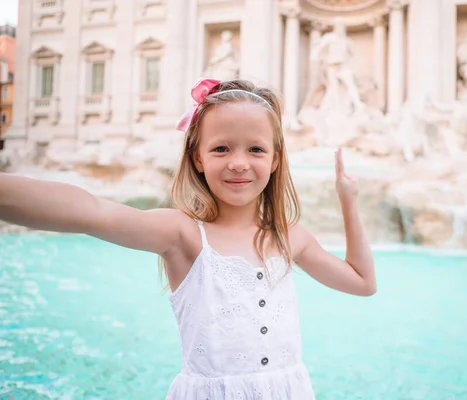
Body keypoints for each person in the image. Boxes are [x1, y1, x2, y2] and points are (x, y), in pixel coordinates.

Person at [0, 78, 376, 399]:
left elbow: (362, 283)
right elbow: (92, 212)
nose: (239, 162)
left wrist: (349, 201)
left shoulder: (289, 237)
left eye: (256, 149)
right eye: (221, 148)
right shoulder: (183, 235)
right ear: (197, 158)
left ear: (275, 160)